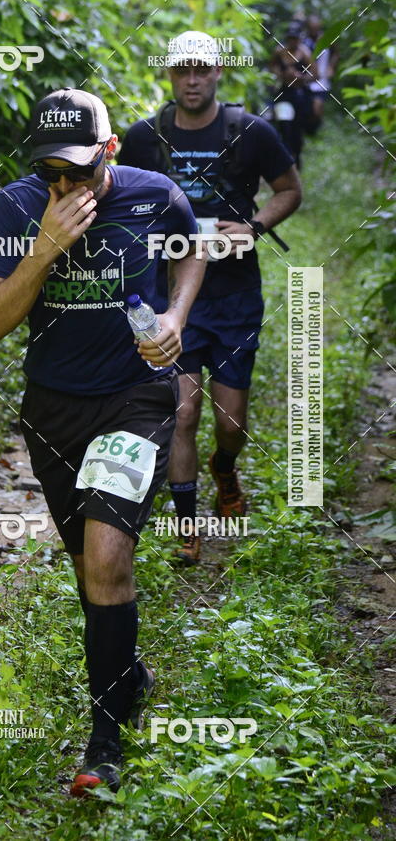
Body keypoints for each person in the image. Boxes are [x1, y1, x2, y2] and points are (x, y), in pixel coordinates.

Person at [0, 87, 206, 795]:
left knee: (108, 561)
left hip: (136, 398)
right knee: (87, 575)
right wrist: (44, 248)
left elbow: (191, 253)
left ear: (108, 152)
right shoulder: (16, 208)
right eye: (52, 173)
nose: (66, 187)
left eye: (79, 170)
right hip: (53, 409)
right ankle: (127, 671)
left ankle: (103, 743)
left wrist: (176, 314)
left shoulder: (155, 195)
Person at [118, 31, 302, 563]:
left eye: (202, 69)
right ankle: (187, 525)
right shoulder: (144, 138)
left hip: (234, 295)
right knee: (183, 413)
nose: (192, 79)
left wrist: (254, 226)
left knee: (230, 420)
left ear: (218, 71)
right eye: (182, 70)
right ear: (169, 74)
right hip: (167, 297)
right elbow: (119, 200)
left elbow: (290, 189)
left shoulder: (250, 132)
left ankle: (225, 466)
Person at [269, 22, 317, 167]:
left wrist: (300, 78)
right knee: (285, 125)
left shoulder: (305, 53)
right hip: (284, 93)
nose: (292, 42)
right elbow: (271, 68)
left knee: (297, 128)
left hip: (299, 95)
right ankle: (286, 157)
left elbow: (315, 74)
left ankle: (297, 156)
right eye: (290, 38)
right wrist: (282, 75)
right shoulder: (279, 52)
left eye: (295, 38)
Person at [303, 14, 338, 131]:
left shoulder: (326, 39)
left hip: (322, 79)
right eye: (312, 28)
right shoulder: (303, 41)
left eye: (316, 28)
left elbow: (336, 53)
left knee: (317, 106)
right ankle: (308, 128)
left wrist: (331, 67)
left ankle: (315, 127)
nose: (314, 30)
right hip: (306, 79)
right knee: (308, 107)